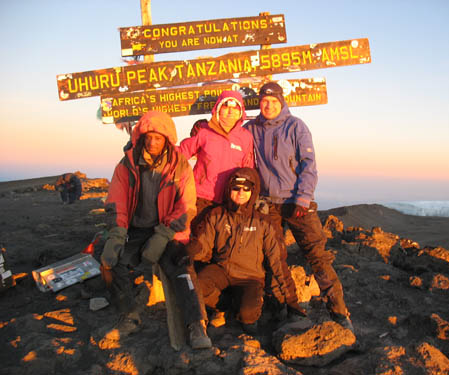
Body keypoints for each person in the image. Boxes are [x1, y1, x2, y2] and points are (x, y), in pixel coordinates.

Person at [244, 82, 354, 331]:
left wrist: (303, 198)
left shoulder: (296, 126)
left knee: (317, 255)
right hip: (268, 203)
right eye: (264, 101)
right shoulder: (251, 129)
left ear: (281, 101)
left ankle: (339, 312)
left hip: (297, 201)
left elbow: (308, 164)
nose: (269, 105)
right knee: (274, 258)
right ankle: (290, 310)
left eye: (273, 100)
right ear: (259, 103)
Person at [100, 110, 212, 349]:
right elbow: (116, 202)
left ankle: (196, 326)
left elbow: (186, 206)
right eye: (148, 137)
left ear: (167, 140)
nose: (152, 142)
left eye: (158, 138)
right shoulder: (127, 165)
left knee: (183, 267)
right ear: (140, 137)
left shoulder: (180, 166)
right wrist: (117, 235)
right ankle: (129, 315)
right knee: (112, 262)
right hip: (136, 229)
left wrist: (162, 236)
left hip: (168, 230)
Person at [185, 167, 304, 333]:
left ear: (253, 191)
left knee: (248, 316)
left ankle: (248, 310)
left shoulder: (265, 223)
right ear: (229, 189)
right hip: (222, 270)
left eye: (247, 188)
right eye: (236, 188)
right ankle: (223, 308)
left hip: (250, 277)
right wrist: (188, 251)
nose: (241, 192)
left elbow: (277, 262)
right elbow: (203, 247)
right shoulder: (216, 215)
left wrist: (292, 302)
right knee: (196, 286)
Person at [178, 90, 254, 234]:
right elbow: (181, 152)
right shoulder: (204, 131)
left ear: (241, 111)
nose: (230, 111)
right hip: (201, 197)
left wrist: (245, 198)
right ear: (218, 109)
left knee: (222, 239)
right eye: (226, 106)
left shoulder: (245, 137)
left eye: (235, 107)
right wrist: (156, 150)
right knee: (199, 237)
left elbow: (249, 169)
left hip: (229, 199)